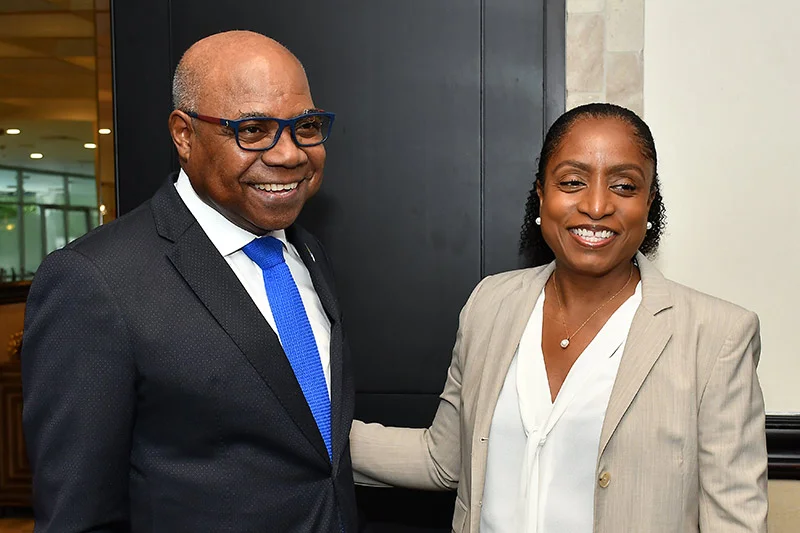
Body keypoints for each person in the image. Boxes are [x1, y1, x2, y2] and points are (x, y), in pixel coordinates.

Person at [350, 103, 768, 532]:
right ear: (542, 193)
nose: (597, 204)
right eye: (572, 182)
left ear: (649, 203)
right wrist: (303, 433)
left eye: (624, 186)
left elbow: (734, 520)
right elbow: (442, 460)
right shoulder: (490, 304)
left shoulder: (717, 336)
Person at [22, 31, 357, 532]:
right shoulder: (94, 282)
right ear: (184, 134)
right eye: (253, 130)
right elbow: (78, 516)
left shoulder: (306, 251)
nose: (289, 154)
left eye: (305, 126)